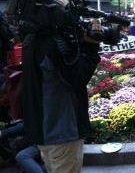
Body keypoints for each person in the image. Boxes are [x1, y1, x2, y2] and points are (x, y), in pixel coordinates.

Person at [22, 19, 101, 173]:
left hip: (46, 133)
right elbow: (78, 77)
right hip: (62, 133)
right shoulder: (54, 44)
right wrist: (91, 47)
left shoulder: (31, 39)